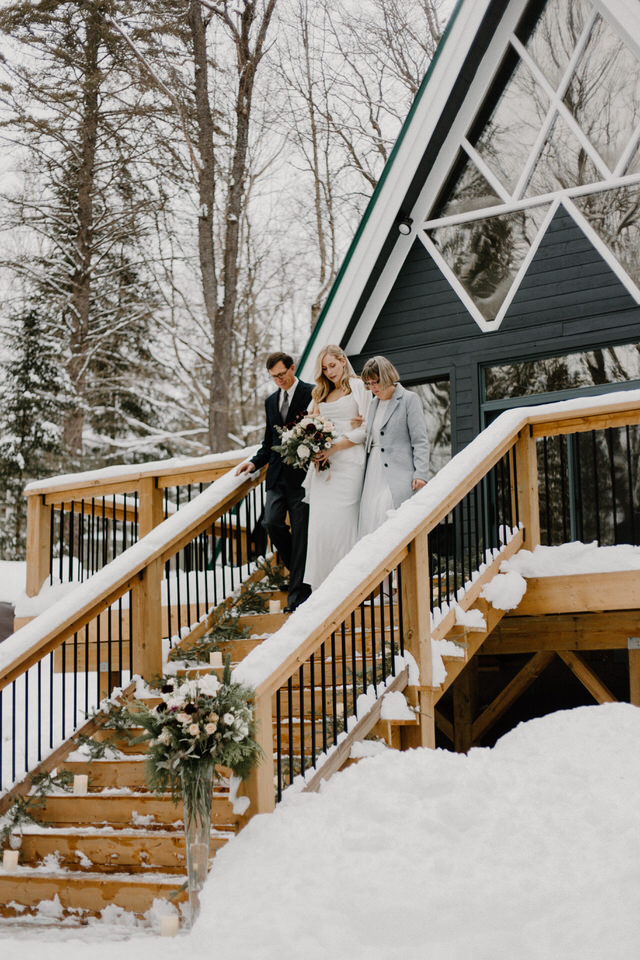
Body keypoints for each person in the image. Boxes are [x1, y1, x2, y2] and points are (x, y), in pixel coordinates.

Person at [236, 351, 313, 612]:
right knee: (271, 521)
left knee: (302, 535)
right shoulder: (271, 401)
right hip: (277, 477)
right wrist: (255, 463)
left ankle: (297, 598)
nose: (278, 380)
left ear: (292, 368)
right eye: (273, 377)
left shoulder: (311, 393)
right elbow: (269, 442)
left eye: (281, 374)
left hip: (303, 477)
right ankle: (302, 572)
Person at [303, 344, 370, 590]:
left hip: (350, 462)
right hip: (325, 468)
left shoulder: (358, 387)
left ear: (343, 360)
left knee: (344, 524)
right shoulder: (319, 394)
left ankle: (350, 585)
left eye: (332, 365)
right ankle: (322, 588)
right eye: (324, 368)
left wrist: (334, 447)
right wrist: (310, 448)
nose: (330, 372)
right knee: (321, 526)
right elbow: (310, 427)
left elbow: (366, 429)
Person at [358, 355, 430, 539]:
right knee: (370, 519)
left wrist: (421, 473)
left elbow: (420, 440)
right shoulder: (373, 404)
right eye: (368, 384)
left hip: (398, 473)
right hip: (373, 471)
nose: (372, 388)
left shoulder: (409, 399)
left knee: (389, 518)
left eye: (375, 382)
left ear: (388, 377)